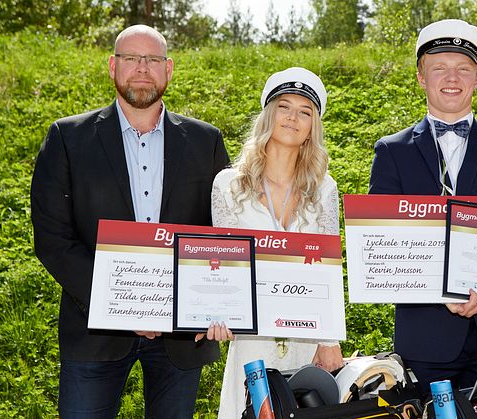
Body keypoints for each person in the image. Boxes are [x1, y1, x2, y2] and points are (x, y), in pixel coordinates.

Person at [30, 25, 229, 418]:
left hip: (180, 334)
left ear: (168, 69)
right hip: (95, 331)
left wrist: (215, 301)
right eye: (131, 59)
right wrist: (121, 305)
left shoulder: (205, 141)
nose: (142, 68)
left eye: (153, 60)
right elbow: (54, 238)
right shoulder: (68, 138)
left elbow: (218, 234)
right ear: (113, 66)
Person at [368, 19, 477, 393]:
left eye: (463, 68)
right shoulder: (391, 152)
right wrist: (439, 295)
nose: (451, 77)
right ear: (420, 77)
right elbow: (385, 243)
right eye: (439, 68)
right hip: (424, 337)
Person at [207, 67, 344, 418]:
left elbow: (328, 269)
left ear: (314, 125)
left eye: (305, 111)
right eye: (284, 106)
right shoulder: (228, 185)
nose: (292, 118)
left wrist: (329, 341)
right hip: (252, 343)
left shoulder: (324, 188)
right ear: (269, 114)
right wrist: (217, 311)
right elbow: (224, 267)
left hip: (307, 341)